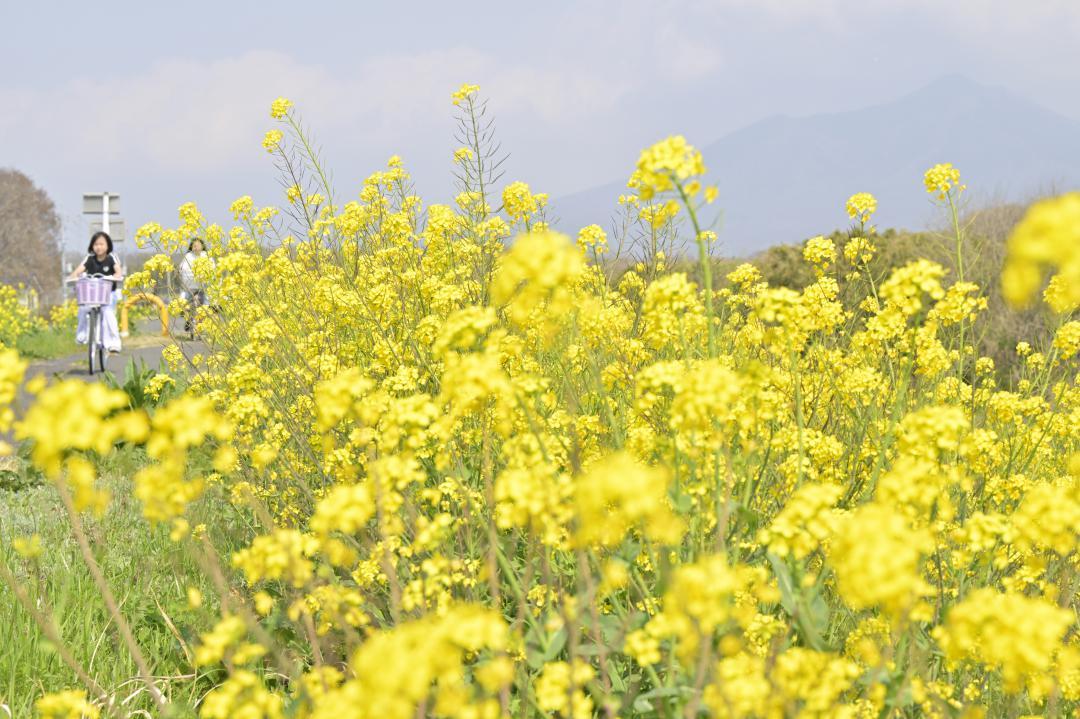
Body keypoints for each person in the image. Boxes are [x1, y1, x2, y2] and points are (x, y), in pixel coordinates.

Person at [67, 231, 123, 353]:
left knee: (108, 314)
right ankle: (82, 335)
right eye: (96, 244)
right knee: (82, 309)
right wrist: (72, 278)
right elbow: (78, 271)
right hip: (91, 295)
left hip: (107, 295)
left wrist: (115, 277)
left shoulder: (111, 258)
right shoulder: (90, 259)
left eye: (102, 244)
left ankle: (114, 343)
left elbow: (118, 272)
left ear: (108, 246)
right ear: (92, 246)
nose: (99, 247)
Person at [178, 238, 214, 333]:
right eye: (194, 245)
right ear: (191, 247)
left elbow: (213, 268)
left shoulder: (207, 256)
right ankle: (188, 319)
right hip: (189, 287)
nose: (196, 247)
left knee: (206, 304)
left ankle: (201, 323)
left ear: (202, 246)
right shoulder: (188, 256)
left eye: (198, 245)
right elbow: (181, 268)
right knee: (183, 301)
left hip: (203, 286)